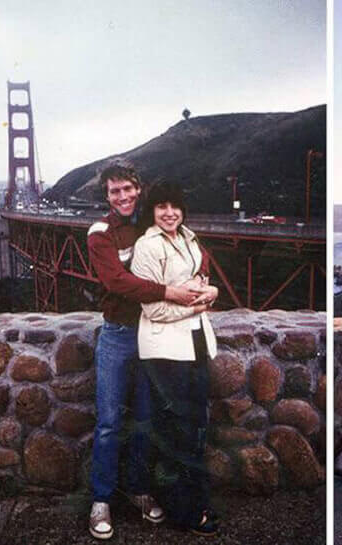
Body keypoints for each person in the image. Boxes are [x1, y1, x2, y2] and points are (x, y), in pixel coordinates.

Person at [87, 163, 206, 540]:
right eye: (114, 191)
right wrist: (171, 293)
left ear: (138, 189)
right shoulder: (100, 232)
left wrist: (204, 284)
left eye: (127, 189)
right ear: (106, 196)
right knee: (108, 421)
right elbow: (117, 281)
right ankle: (101, 499)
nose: (122, 196)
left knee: (144, 420)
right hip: (119, 334)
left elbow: (191, 256)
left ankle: (139, 490)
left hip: (155, 334)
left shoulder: (153, 224)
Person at [130, 182, 220, 536]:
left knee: (194, 428)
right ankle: (186, 512)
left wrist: (209, 292)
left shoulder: (188, 237)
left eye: (175, 206)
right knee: (180, 432)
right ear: (151, 211)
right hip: (165, 349)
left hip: (196, 343)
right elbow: (152, 308)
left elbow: (201, 280)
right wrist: (196, 303)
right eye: (161, 206)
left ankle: (192, 502)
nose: (169, 213)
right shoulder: (146, 247)